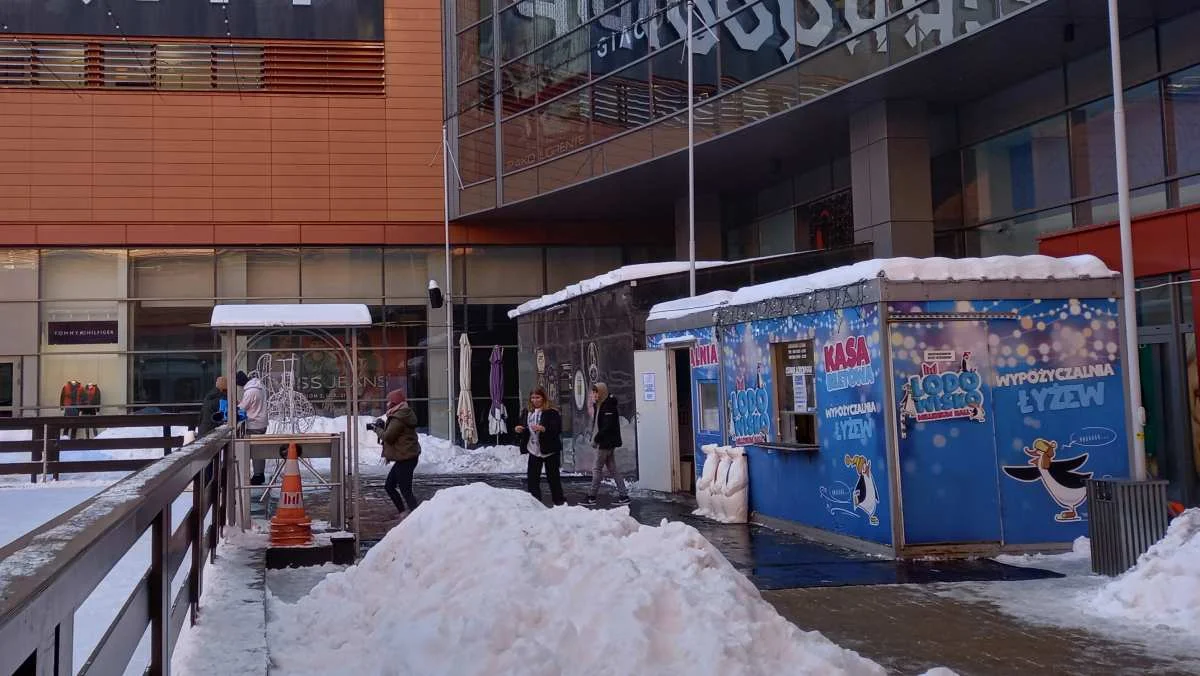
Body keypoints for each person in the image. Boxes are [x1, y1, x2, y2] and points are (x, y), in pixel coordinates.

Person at [514, 387, 565, 506]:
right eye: (533, 398)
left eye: (537, 397)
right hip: (534, 449)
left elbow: (557, 429)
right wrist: (519, 430)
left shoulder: (551, 412)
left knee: (553, 478)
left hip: (549, 450)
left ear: (543, 398)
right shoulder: (527, 412)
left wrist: (544, 429)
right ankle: (535, 502)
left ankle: (559, 502)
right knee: (532, 478)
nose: (535, 400)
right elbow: (523, 426)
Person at [583, 382, 628, 506]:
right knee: (613, 469)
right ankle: (624, 495)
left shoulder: (608, 406)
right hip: (606, 442)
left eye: (596, 392)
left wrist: (597, 438)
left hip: (605, 443)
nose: (594, 395)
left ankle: (591, 496)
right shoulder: (601, 404)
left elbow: (607, 426)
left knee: (597, 469)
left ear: (602, 392)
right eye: (593, 392)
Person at [380, 389, 421, 516]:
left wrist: (377, 430)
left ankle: (417, 515)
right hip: (404, 457)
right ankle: (404, 513)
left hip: (406, 458)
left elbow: (388, 437)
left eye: (389, 401)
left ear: (394, 402)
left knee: (405, 490)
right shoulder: (400, 414)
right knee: (390, 486)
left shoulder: (399, 417)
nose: (387, 404)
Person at [237, 370, 269, 485]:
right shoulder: (260, 387)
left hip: (254, 423)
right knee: (260, 449)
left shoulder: (250, 391)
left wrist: (236, 405)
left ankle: (258, 475)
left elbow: (243, 407)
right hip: (262, 422)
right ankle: (259, 474)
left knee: (255, 451)